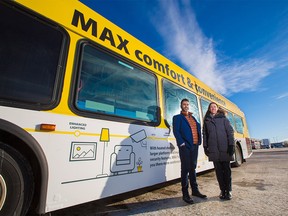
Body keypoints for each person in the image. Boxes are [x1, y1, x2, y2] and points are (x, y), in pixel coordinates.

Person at [173, 98, 207, 204]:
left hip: (194, 146)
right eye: (184, 104)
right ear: (181, 106)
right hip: (185, 147)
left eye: (187, 104)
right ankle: (185, 193)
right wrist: (181, 143)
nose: (186, 106)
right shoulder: (177, 118)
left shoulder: (193, 118)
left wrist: (199, 141)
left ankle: (195, 191)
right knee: (185, 169)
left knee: (193, 168)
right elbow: (176, 131)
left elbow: (198, 129)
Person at [202, 102, 235, 200]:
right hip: (214, 149)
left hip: (224, 149)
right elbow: (205, 135)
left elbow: (230, 132)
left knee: (227, 171)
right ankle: (222, 190)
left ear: (217, 108)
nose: (213, 108)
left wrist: (231, 145)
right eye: (211, 107)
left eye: (214, 107)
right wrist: (205, 146)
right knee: (219, 172)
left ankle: (228, 191)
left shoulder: (224, 119)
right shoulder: (207, 121)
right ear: (209, 109)